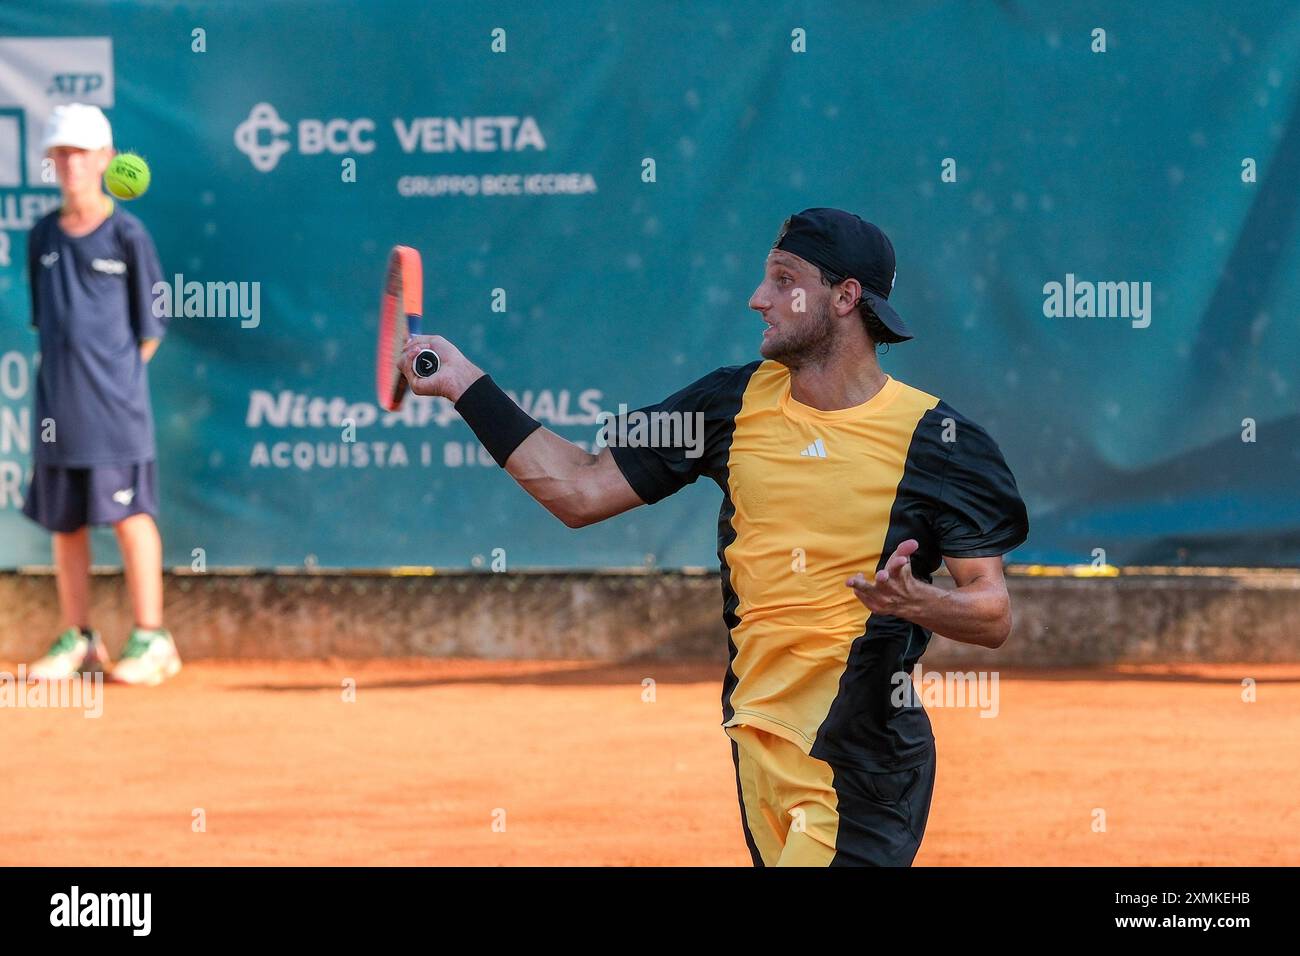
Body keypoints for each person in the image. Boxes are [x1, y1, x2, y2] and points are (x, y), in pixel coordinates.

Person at [400, 207, 1029, 866]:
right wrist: (463, 382)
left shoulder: (942, 442)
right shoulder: (726, 406)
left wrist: (917, 602)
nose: (759, 298)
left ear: (846, 298)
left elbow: (991, 611)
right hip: (755, 744)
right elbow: (580, 490)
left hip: (860, 763)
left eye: (784, 279)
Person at [23, 103, 180, 686]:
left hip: (117, 415)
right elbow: (49, 324)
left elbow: (150, 330)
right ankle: (80, 639)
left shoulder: (128, 234)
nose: (69, 164)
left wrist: (111, 386)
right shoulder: (40, 235)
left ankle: (151, 637)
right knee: (65, 525)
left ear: (107, 161)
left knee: (131, 517)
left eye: (80, 153)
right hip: (55, 414)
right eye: (60, 154)